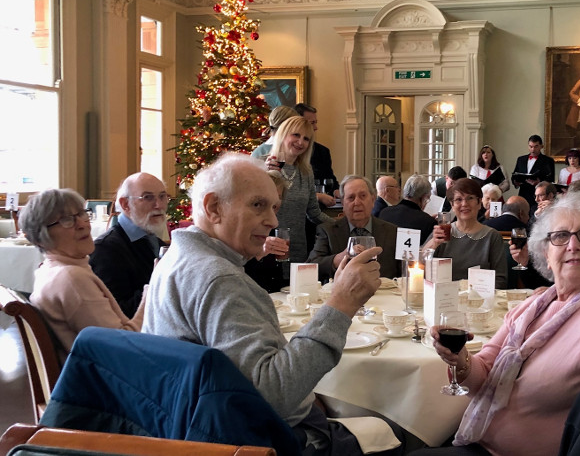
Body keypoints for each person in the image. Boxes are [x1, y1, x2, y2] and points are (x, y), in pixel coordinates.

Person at [142, 153, 401, 455]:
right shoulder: (220, 279)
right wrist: (342, 302)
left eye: (274, 207)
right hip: (262, 441)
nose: (273, 221)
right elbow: (275, 396)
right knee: (393, 429)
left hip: (188, 427)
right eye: (258, 205)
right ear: (214, 208)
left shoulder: (174, 258)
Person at [420, 190, 580, 456]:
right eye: (561, 236)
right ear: (546, 253)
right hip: (481, 443)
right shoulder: (534, 305)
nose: (573, 246)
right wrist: (460, 359)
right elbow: (483, 376)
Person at [20, 189, 145, 353]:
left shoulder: (50, 269)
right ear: (40, 238)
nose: (82, 224)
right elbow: (121, 348)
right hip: (111, 375)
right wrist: (153, 291)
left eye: (82, 214)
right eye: (66, 220)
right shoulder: (71, 278)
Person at [89, 172, 169, 318]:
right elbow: (117, 313)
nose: (159, 205)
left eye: (162, 196)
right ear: (125, 204)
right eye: (148, 197)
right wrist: (161, 281)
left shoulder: (155, 242)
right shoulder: (106, 249)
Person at [266, 116, 332, 264]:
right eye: (296, 135)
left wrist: (340, 225)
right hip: (268, 248)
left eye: (306, 139)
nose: (301, 142)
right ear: (283, 134)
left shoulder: (306, 172)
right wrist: (265, 173)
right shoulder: (263, 166)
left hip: (298, 250)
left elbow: (314, 213)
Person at [307, 175, 400, 281]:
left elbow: (406, 271)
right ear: (342, 203)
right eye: (351, 198)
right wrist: (338, 258)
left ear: (373, 200)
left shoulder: (392, 232)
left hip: (384, 294)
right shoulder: (328, 231)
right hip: (343, 294)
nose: (357, 202)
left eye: (363, 196)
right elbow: (310, 266)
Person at [423, 178, 507, 289]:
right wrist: (434, 242)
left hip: (479, 301)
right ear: (452, 205)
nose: (464, 204)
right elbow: (420, 267)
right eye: (458, 199)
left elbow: (500, 280)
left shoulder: (492, 237)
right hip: (444, 299)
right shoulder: (443, 232)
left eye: (470, 198)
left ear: (479, 203)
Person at [243, 171, 292, 293]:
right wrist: (258, 254)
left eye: (279, 197)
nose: (275, 202)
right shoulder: (242, 228)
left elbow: (274, 276)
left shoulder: (273, 226)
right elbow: (238, 277)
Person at [294, 103, 339, 206]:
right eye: (312, 123)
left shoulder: (322, 151)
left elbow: (330, 178)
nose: (315, 127)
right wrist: (317, 196)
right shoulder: (284, 156)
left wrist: (336, 190)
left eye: (316, 122)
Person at [379, 175, 437, 242]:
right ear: (424, 197)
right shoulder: (428, 222)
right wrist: (429, 220)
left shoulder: (384, 212)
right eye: (428, 199)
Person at [512, 135, 555, 210]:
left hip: (539, 195)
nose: (533, 149)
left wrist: (539, 182)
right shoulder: (521, 159)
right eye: (530, 146)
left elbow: (551, 179)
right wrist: (515, 182)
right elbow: (515, 174)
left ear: (542, 146)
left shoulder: (548, 160)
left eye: (536, 146)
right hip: (523, 193)